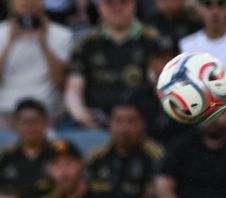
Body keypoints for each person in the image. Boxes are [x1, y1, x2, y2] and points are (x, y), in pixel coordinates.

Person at [64, 0, 162, 129]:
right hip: (98, 124)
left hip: (145, 123)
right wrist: (80, 114)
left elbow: (161, 85)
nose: (117, 7)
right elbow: (73, 89)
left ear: (134, 4)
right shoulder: (87, 44)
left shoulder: (153, 39)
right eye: (110, 3)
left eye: (123, 2)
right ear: (99, 7)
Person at [0, 0, 72, 126]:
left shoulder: (62, 34)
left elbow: (61, 81)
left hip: (47, 110)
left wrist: (43, 44)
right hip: (5, 109)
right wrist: (9, 42)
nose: (27, 2)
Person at [86, 96, 164, 198]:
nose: (124, 129)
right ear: (110, 124)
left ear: (142, 124)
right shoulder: (95, 157)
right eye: (118, 121)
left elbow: (154, 195)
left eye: (131, 121)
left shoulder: (155, 156)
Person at [0, 98, 56, 198]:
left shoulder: (57, 154)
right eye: (24, 121)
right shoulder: (4, 157)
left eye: (34, 121)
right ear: (15, 124)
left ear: (45, 123)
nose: (30, 126)